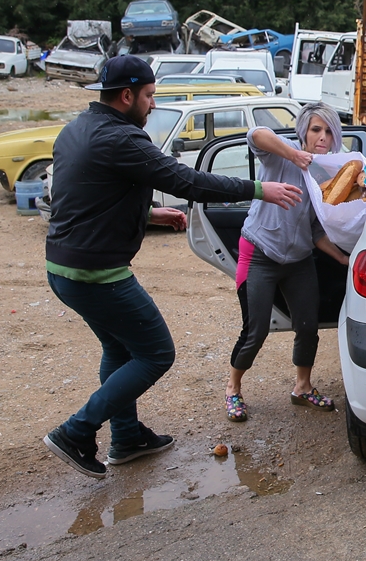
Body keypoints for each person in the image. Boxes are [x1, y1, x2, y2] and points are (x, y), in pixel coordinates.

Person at [43, 55, 303, 479]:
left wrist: (147, 214)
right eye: (148, 97)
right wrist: (259, 188)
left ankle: (126, 439)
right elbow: (187, 181)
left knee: (119, 349)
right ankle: (76, 432)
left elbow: (86, 200)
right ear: (126, 96)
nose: (151, 105)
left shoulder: (76, 130)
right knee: (156, 353)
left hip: (63, 267)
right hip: (98, 275)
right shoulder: (123, 139)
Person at [225, 102, 349, 423]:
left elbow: (315, 228)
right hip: (259, 253)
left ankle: (302, 387)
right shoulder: (284, 152)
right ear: (304, 132)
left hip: (299, 259)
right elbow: (256, 134)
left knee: (308, 326)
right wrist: (293, 155)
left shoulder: (327, 171)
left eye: (328, 131)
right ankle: (233, 388)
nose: (322, 137)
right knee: (256, 330)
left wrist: (343, 258)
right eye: (315, 129)